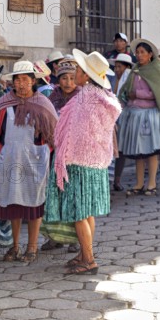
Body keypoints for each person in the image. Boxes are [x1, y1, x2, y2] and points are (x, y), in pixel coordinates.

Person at [45, 50, 121, 274]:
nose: (75, 72)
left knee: (79, 213)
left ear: (87, 75)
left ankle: (88, 260)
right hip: (95, 162)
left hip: (78, 163)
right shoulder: (104, 97)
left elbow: (75, 135)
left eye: (78, 69)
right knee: (88, 213)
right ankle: (84, 253)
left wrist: (63, 159)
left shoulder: (85, 99)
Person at [0, 61, 58, 262]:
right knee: (13, 204)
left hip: (35, 161)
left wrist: (43, 149)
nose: (21, 84)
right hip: (9, 159)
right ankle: (15, 246)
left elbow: (54, 134)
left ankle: (32, 247)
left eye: (25, 80)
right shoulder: (5, 103)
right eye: (17, 80)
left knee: (34, 204)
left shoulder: (42, 103)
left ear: (33, 81)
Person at [40, 61, 81, 252]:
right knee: (53, 196)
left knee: (71, 196)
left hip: (74, 153)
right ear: (58, 79)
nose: (68, 82)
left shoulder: (81, 98)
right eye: (64, 78)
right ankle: (55, 237)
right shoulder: (52, 97)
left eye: (72, 78)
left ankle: (75, 239)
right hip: (54, 152)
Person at [118, 38, 160, 197]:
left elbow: (159, 93)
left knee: (151, 151)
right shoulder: (135, 70)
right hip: (133, 114)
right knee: (137, 151)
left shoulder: (157, 70)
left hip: (149, 116)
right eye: (137, 52)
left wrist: (137, 94)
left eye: (142, 52)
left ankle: (151, 183)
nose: (139, 55)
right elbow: (126, 89)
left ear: (150, 54)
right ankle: (138, 183)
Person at [108, 53, 133, 192]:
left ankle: (117, 179)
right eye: (116, 66)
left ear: (127, 67)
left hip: (123, 117)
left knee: (120, 149)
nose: (117, 69)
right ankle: (111, 178)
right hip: (111, 117)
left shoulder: (130, 79)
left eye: (120, 66)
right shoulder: (111, 79)